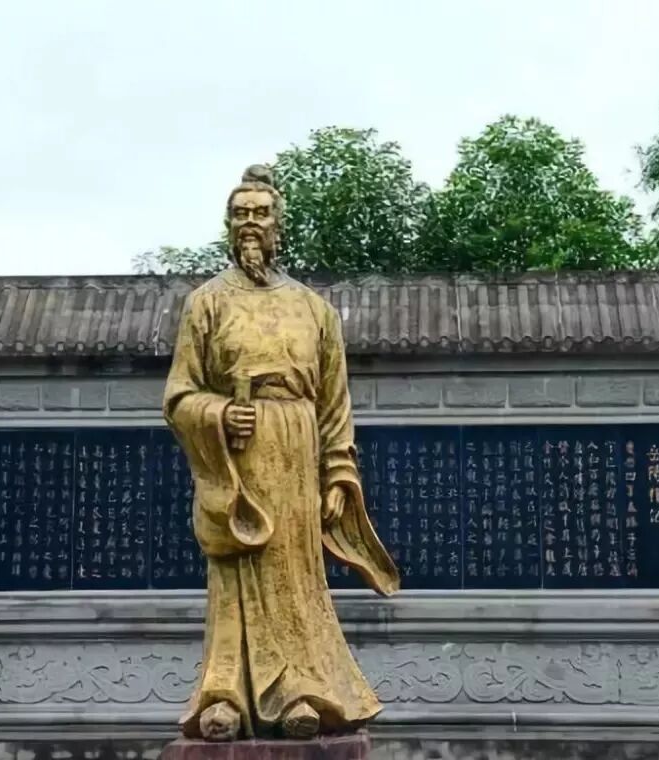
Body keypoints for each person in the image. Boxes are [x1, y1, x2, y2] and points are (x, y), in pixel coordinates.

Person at [162, 165, 399, 741]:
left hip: (295, 453)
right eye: (240, 214)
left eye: (261, 213)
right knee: (237, 568)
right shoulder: (206, 303)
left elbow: (334, 404)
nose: (251, 223)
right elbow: (179, 395)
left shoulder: (314, 310)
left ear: (278, 225)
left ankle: (300, 689)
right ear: (228, 225)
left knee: (294, 576)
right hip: (236, 459)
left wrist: (337, 473)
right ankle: (225, 694)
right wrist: (218, 414)